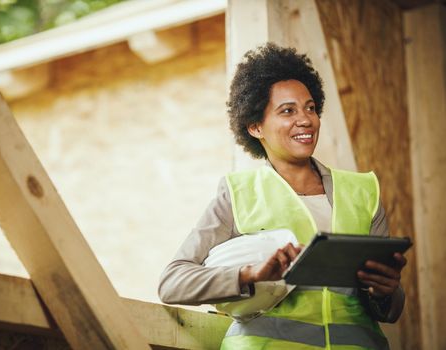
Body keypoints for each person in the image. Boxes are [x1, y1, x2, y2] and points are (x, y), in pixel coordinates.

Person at [158, 43, 406, 350]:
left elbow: (390, 311)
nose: (306, 120)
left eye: (311, 107)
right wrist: (250, 275)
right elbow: (173, 281)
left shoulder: (364, 192)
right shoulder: (237, 194)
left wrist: (387, 291)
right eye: (287, 110)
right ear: (255, 126)